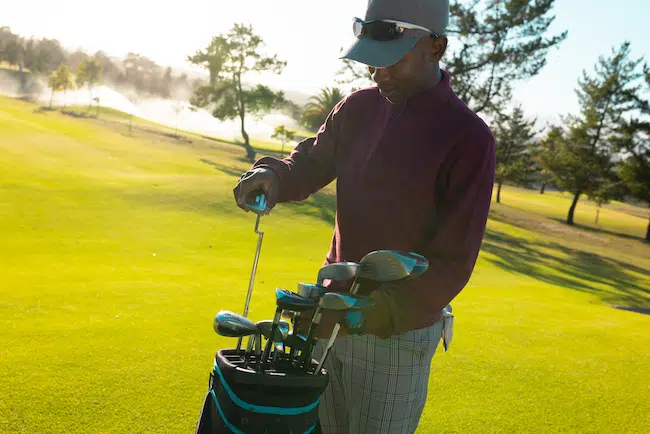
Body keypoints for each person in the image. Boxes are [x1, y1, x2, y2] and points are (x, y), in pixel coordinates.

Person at [233, 0, 496, 432]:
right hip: (325, 314)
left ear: (436, 47)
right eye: (371, 62)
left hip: (396, 333)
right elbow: (309, 163)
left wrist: (368, 314)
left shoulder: (468, 138)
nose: (378, 73)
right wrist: (272, 175)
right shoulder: (356, 108)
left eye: (391, 59)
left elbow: (452, 264)